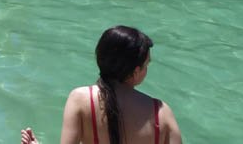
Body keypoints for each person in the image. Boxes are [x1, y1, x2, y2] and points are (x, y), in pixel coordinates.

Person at [21, 25, 182, 144]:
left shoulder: (80, 100)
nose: (147, 70)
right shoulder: (162, 113)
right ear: (135, 71)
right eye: (146, 65)